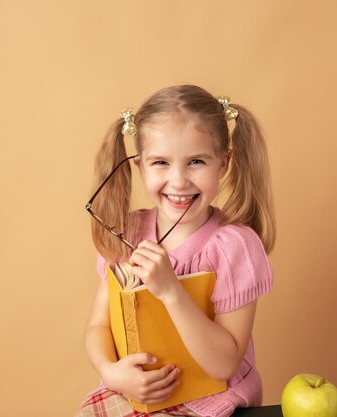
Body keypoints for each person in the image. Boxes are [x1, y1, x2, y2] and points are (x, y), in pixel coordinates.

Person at [76, 85, 276, 417]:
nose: (179, 180)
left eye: (196, 161)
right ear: (140, 166)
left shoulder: (233, 247)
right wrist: (112, 373)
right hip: (137, 391)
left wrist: (171, 290)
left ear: (223, 164)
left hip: (209, 400)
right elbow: (98, 327)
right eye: (161, 163)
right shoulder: (128, 233)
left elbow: (224, 363)